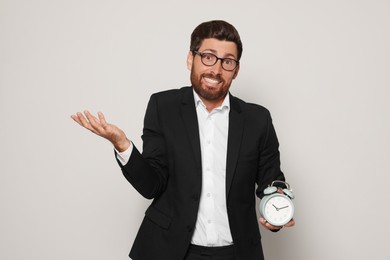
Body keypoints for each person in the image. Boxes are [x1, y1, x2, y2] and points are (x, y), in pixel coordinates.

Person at [71, 20, 295, 260]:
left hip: (237, 252)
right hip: (171, 251)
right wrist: (122, 144)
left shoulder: (257, 119)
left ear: (236, 70)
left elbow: (271, 178)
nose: (216, 70)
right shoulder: (163, 107)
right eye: (208, 57)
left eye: (227, 62)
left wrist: (277, 209)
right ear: (191, 59)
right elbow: (151, 185)